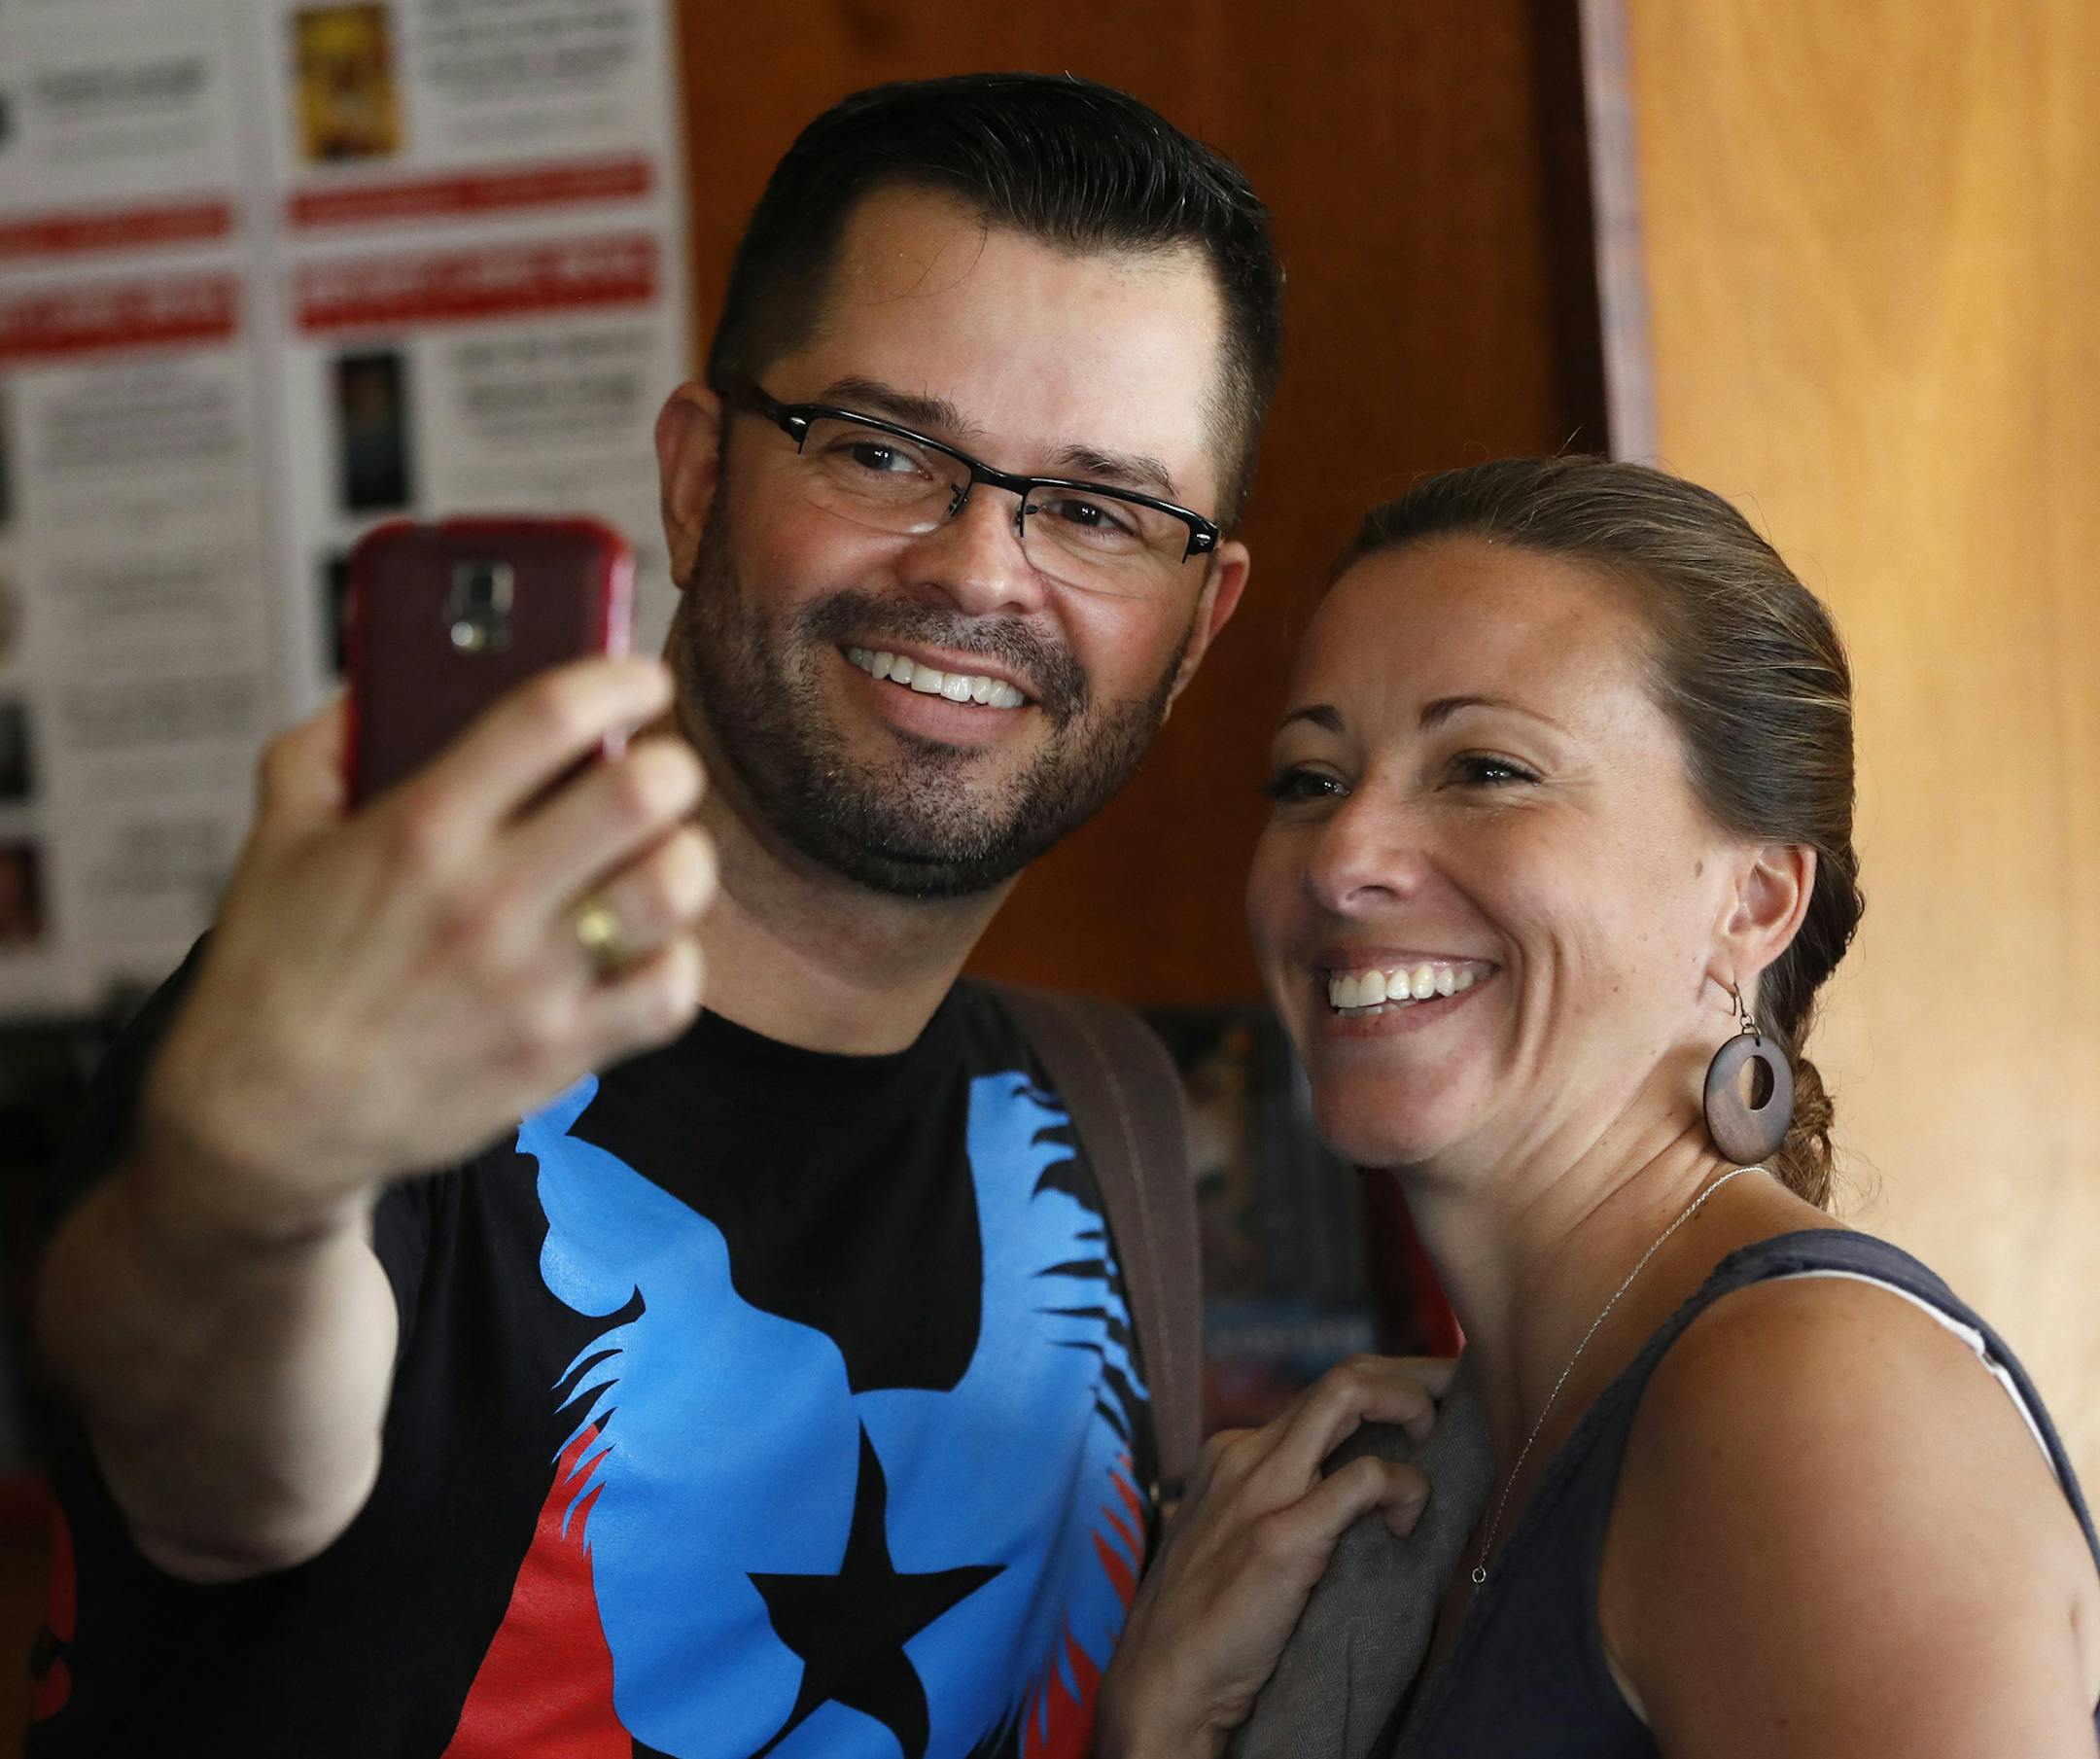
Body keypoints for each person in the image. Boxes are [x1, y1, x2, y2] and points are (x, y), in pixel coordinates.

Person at [25, 75, 1432, 1758]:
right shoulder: (361, 1039)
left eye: (1099, 510)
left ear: (1198, 622)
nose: (982, 572)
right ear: (697, 484)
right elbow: (211, 1472)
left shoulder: (1105, 1123)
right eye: (883, 449)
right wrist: (256, 1177)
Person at [1095, 457, 2100, 1756]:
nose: (1344, 859)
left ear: (1752, 904)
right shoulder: (1452, 1466)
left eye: (1489, 769)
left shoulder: (1805, 1400)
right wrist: (1160, 1727)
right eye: (1309, 778)